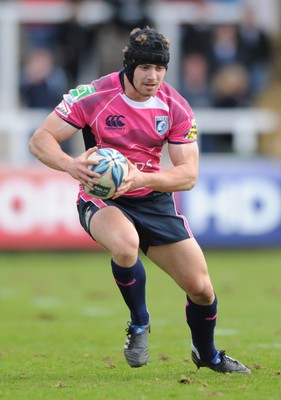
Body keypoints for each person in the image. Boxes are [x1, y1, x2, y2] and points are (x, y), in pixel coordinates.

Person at [29, 27, 251, 374]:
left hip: (153, 199)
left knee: (201, 289)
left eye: (160, 68)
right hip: (102, 198)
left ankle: (206, 355)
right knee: (125, 244)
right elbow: (40, 139)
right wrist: (72, 165)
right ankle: (139, 323)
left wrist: (141, 177)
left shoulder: (175, 105)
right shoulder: (94, 94)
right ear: (129, 66)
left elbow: (188, 174)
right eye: (146, 68)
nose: (153, 76)